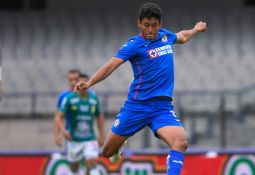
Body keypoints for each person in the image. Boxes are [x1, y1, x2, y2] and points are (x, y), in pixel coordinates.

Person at [74, 2, 207, 175]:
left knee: (180, 143)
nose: (150, 30)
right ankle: (121, 143)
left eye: (154, 25)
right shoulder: (134, 45)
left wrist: (196, 30)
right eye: (146, 25)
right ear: (139, 23)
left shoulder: (166, 36)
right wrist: (90, 82)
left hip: (162, 108)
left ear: (160, 24)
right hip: (137, 106)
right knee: (107, 152)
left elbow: (182, 36)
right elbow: (111, 65)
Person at [54, 73, 106, 175]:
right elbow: (59, 117)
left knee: (92, 163)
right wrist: (62, 132)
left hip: (89, 138)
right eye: (80, 84)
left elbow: (99, 116)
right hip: (74, 139)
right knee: (74, 170)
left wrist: (102, 135)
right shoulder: (69, 98)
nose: (83, 86)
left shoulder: (94, 99)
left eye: (85, 84)